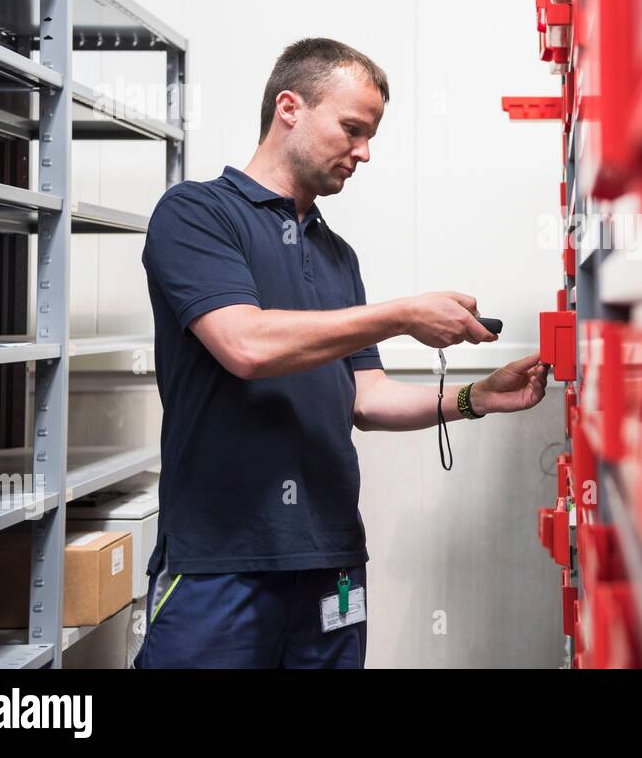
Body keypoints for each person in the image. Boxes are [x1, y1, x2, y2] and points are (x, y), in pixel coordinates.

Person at [133, 38, 550, 668]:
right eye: (352, 129)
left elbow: (365, 395)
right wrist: (401, 314)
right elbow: (244, 344)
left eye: (370, 135)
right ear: (290, 108)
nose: (363, 152)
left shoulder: (336, 254)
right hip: (222, 559)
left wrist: (475, 398)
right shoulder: (196, 214)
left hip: (331, 559)